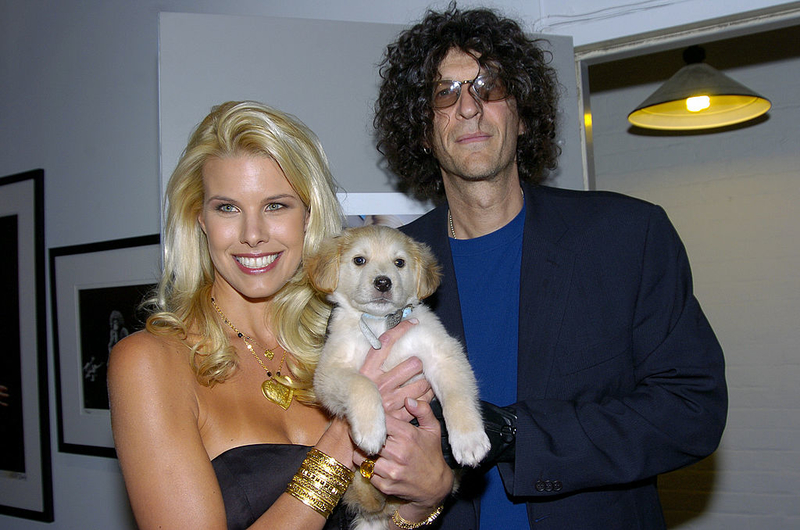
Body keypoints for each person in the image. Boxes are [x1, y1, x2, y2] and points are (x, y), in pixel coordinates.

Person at [374, 5, 727, 529]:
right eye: (444, 94)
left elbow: (689, 410)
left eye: (488, 86)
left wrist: (517, 433)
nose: (469, 108)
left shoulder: (626, 236)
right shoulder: (389, 266)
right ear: (423, 130)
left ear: (520, 109)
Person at [108, 101, 453, 529]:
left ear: (308, 216)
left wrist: (424, 503)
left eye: (275, 206)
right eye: (227, 208)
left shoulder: (343, 342)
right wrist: (344, 434)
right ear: (199, 219)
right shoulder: (151, 362)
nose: (252, 235)